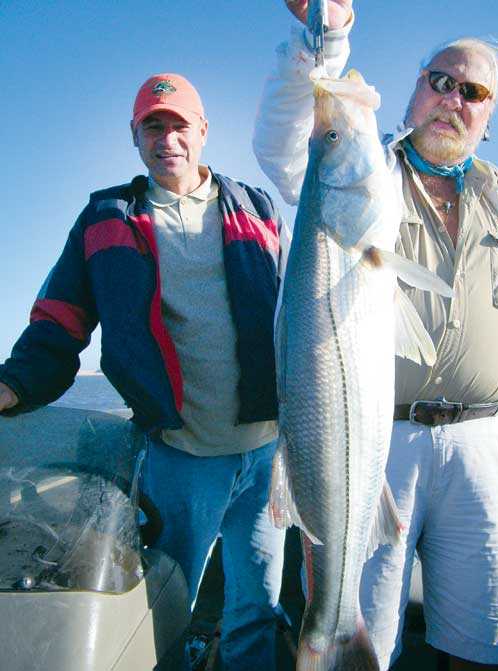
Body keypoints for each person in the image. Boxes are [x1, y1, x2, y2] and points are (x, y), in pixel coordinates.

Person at [253, 2, 498, 669]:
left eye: (472, 91)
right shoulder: (366, 175)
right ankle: (332, 637)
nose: (451, 98)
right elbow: (287, 141)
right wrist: (323, 40)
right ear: (415, 88)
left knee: (491, 636)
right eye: (440, 80)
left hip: (487, 445)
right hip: (380, 442)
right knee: (367, 628)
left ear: (489, 115)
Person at [0, 72, 290, 671]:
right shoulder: (105, 217)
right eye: (152, 126)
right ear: (135, 136)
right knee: (167, 605)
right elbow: (58, 321)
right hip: (179, 458)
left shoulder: (258, 210)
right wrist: (13, 384)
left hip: (268, 459)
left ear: (203, 132)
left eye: (179, 124)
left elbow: (303, 318)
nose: (168, 139)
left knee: (258, 605)